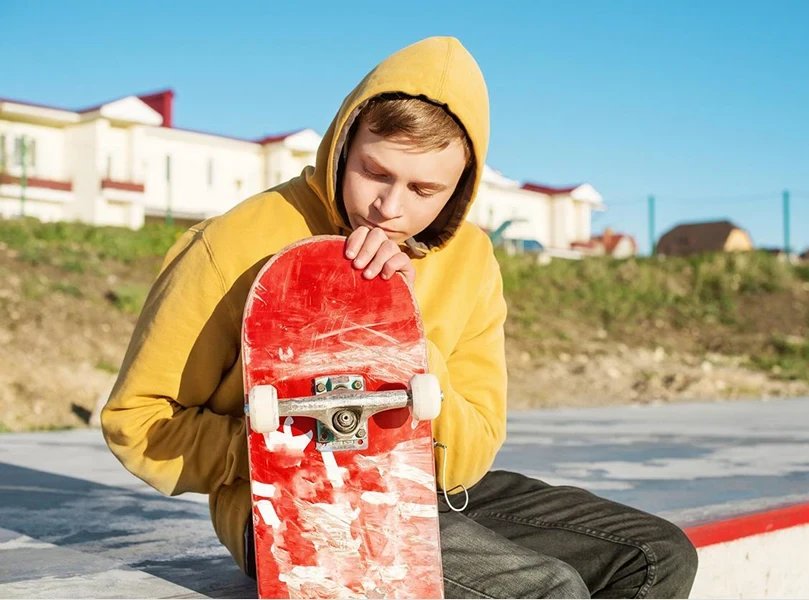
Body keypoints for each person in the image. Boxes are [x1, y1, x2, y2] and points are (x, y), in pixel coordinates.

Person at [101, 36, 698, 599]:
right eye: (376, 172)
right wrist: (279, 449)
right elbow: (139, 422)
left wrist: (404, 335)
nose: (390, 207)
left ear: (460, 186)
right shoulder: (237, 243)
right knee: (543, 590)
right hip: (294, 504)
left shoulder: (471, 257)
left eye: (424, 189)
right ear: (344, 142)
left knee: (656, 555)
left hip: (431, 486)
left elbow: (474, 449)